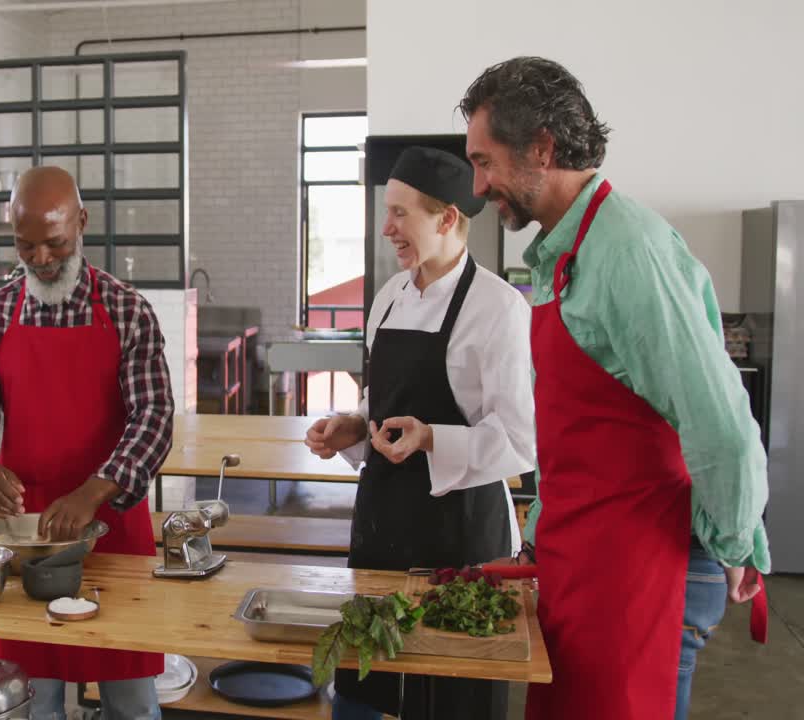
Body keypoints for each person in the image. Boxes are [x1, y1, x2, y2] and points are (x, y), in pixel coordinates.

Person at [459, 56, 770, 720]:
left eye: (486, 162)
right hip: (588, 563)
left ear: (541, 149)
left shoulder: (628, 251)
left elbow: (721, 428)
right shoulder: (564, 252)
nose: (479, 185)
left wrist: (734, 541)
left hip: (643, 572)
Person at [304, 147, 535, 720]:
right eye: (387, 211)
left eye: (400, 213)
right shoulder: (389, 297)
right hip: (383, 522)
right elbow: (380, 402)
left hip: (460, 533)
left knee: (452, 695)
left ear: (447, 218)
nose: (386, 228)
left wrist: (432, 439)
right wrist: (352, 426)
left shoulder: (499, 308)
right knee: (365, 681)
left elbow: (520, 441)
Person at [0, 166, 174, 720]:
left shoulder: (127, 312)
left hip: (113, 530)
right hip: (25, 536)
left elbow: (153, 416)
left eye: (56, 242)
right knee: (31, 702)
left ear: (82, 223)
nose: (42, 258)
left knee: (132, 705)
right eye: (26, 246)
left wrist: (94, 491)